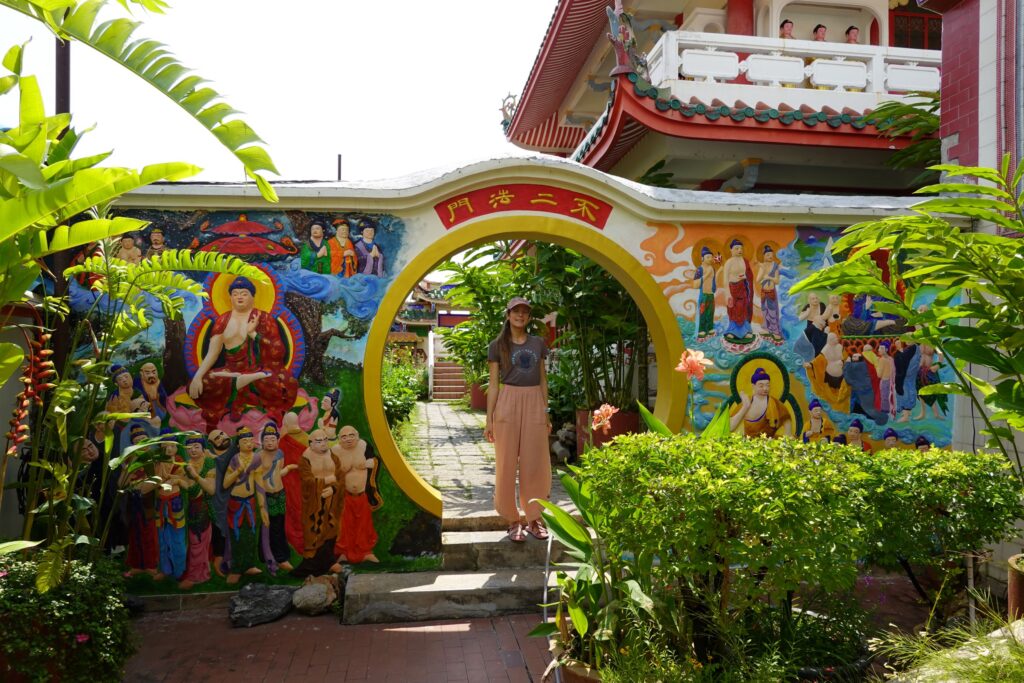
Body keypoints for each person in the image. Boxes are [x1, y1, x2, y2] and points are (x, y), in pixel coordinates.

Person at [188, 276, 300, 431]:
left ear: (253, 297)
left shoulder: (263, 318)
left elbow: (278, 351)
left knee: (284, 384)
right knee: (203, 383)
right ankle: (240, 382)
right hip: (230, 372)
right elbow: (212, 353)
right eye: (235, 293)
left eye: (244, 293)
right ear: (230, 297)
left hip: (261, 374)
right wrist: (198, 377)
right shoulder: (223, 321)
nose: (239, 297)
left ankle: (243, 382)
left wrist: (253, 334)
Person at [484, 297, 551, 543]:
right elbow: (493, 384)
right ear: (508, 315)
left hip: (535, 401)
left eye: (525, 312)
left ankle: (534, 519)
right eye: (516, 311)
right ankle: (513, 521)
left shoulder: (538, 344)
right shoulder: (497, 345)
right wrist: (489, 419)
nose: (520, 316)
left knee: (535, 462)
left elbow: (543, 380)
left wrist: (546, 411)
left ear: (529, 317)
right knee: (506, 462)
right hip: (508, 400)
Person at [293, 428, 345, 578]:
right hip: (314, 503)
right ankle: (312, 565)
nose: (323, 444)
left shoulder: (333, 457)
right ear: (310, 444)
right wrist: (324, 482)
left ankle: (328, 562)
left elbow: (340, 478)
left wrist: (333, 490)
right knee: (314, 530)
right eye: (318, 441)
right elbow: (307, 481)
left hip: (331, 501)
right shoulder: (305, 459)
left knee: (331, 528)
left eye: (325, 440)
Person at [221, 426, 264, 584]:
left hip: (251, 502)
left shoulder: (256, 458)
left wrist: (262, 506)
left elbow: (259, 482)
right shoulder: (234, 459)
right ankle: (236, 568)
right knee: (237, 536)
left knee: (251, 535)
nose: (248, 443)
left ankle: (249, 565)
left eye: (250, 440)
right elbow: (225, 484)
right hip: (236, 503)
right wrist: (237, 472)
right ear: (238, 444)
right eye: (244, 441)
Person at [332, 426, 379, 566]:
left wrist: (371, 463)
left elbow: (375, 461)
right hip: (345, 495)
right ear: (339, 439)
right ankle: (343, 553)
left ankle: (366, 553)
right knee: (344, 525)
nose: (348, 439)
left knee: (364, 525)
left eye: (351, 435)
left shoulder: (364, 446)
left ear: (357, 436)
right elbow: (329, 470)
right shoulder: (335, 451)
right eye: (344, 436)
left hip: (362, 495)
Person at [256, 422, 297, 574]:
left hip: (279, 493)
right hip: (266, 496)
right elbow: (257, 478)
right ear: (262, 441)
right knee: (269, 526)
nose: (270, 442)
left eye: (273, 439)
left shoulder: (280, 454)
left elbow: (278, 472)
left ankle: (279, 555)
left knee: (279, 525)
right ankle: (274, 557)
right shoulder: (258, 456)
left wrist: (290, 468)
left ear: (277, 440)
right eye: (266, 440)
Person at [180, 434, 216, 589]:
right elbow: (189, 488)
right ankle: (201, 571)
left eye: (196, 447)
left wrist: (195, 476)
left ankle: (197, 576)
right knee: (195, 541)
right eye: (189, 447)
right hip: (193, 508)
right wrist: (177, 480)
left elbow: (211, 489)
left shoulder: (209, 463)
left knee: (199, 541)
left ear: (203, 449)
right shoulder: (186, 466)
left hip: (205, 508)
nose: (193, 450)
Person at [729, 366, 792, 437]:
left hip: (770, 444)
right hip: (746, 444)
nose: (765, 389)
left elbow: (788, 433)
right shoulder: (746, 403)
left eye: (767, 385)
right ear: (753, 386)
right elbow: (730, 427)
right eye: (761, 386)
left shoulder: (777, 405)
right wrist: (745, 407)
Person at [722, 239, 754, 344]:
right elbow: (725, 279)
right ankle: (732, 331)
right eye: (737, 248)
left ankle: (745, 331)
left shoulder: (744, 261)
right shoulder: (729, 262)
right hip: (732, 289)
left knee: (743, 308)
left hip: (743, 288)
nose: (739, 250)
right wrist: (727, 293)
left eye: (741, 248)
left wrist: (744, 276)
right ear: (731, 250)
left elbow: (748, 274)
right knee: (734, 309)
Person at [757, 245, 783, 344]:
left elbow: (777, 281)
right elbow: (758, 280)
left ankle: (775, 331)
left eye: (771, 255)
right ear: (764, 256)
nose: (770, 256)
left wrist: (769, 277)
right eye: (768, 255)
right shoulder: (763, 266)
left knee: (772, 311)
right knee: (765, 310)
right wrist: (763, 270)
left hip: (771, 291)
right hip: (764, 291)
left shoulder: (775, 266)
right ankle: (767, 329)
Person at [693, 246, 716, 340]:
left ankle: (710, 327)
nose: (710, 259)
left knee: (711, 312)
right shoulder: (700, 269)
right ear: (702, 258)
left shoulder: (713, 268)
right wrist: (706, 275)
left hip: (711, 294)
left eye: (711, 257)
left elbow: (713, 281)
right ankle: (702, 329)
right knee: (703, 312)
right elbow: (695, 284)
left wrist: (714, 287)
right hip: (704, 294)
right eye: (708, 257)